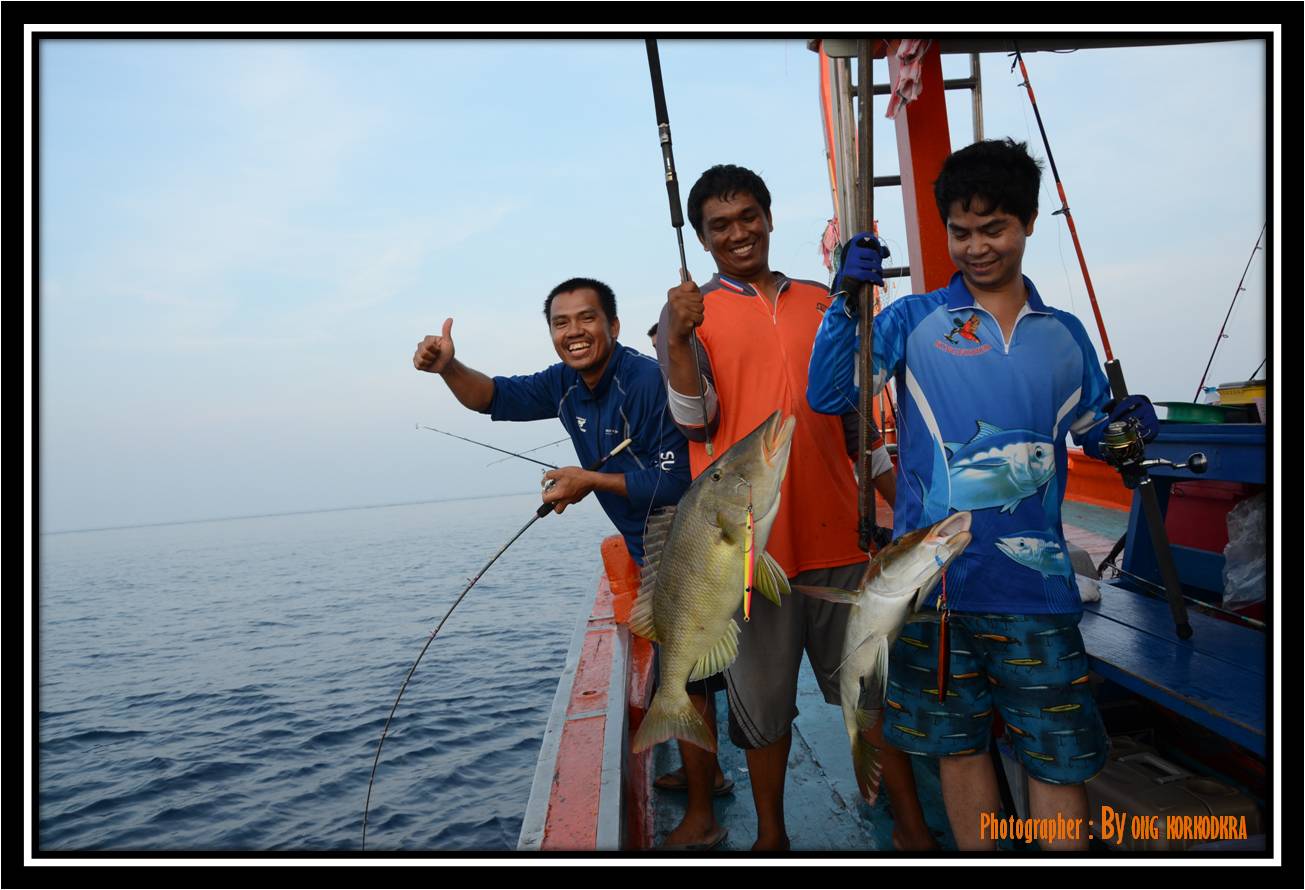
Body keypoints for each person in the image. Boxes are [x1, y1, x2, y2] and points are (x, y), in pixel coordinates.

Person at [807, 138, 1158, 850]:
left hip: (1035, 589)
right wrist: (847, 304)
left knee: (1054, 756)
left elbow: (1094, 434)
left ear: (1027, 221)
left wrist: (1125, 431)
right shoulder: (908, 322)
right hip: (931, 593)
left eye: (993, 229)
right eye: (959, 233)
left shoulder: (1064, 338)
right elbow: (827, 393)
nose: (976, 248)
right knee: (957, 749)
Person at [657, 164, 926, 852]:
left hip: (844, 540)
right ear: (703, 237)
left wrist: (908, 510)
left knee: (871, 701)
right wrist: (674, 339)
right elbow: (694, 421)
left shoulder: (822, 300)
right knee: (763, 714)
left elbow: (856, 427)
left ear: (770, 217)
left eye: (748, 216)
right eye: (720, 225)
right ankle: (771, 840)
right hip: (749, 555)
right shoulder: (692, 316)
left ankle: (914, 828)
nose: (738, 232)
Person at [412, 277, 729, 850]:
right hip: (645, 548)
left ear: (613, 325)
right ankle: (709, 770)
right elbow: (494, 398)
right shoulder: (564, 385)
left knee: (690, 676)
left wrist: (588, 481)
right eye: (562, 323)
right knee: (679, 668)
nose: (574, 331)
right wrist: (448, 369)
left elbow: (679, 482)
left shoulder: (645, 380)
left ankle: (704, 814)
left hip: (687, 545)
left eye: (587, 319)